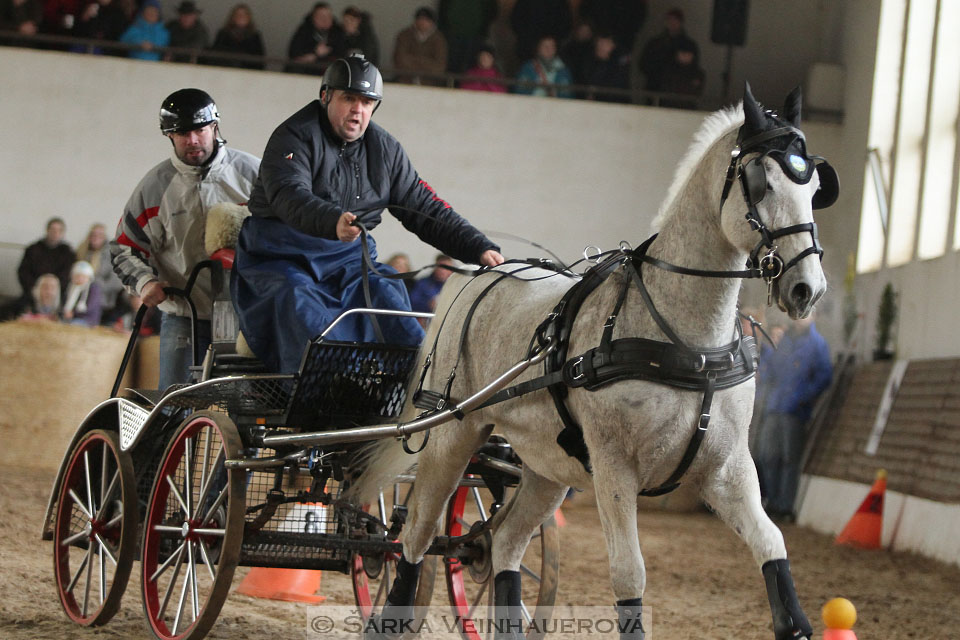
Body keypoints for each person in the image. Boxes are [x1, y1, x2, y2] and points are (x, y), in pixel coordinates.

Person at [232, 54, 504, 374]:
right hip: (281, 256)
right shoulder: (293, 135)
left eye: (367, 101)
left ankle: (408, 392)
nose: (357, 110)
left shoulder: (385, 150)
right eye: (349, 98)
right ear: (325, 96)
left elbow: (423, 206)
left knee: (389, 295)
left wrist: (478, 247)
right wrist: (331, 221)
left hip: (349, 260)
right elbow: (288, 194)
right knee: (300, 304)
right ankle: (321, 390)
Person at [110, 88, 260, 391]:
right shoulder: (155, 188)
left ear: (214, 127)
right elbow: (124, 248)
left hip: (246, 315)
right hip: (184, 315)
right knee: (174, 408)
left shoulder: (253, 176)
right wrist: (145, 283)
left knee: (248, 409)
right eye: (182, 133)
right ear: (169, 136)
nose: (192, 140)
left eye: (199, 130)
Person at [755, 313, 833, 521]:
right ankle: (772, 501)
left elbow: (824, 375)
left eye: (805, 314)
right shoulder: (783, 342)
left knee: (790, 459)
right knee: (768, 456)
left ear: (814, 316)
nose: (799, 318)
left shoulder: (817, 345)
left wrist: (802, 397)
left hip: (795, 411)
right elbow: (770, 369)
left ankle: (784, 506)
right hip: (774, 407)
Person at [638, 8, 699, 99]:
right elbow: (643, 64)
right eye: (669, 20)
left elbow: (694, 68)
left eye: (675, 20)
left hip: (678, 91)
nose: (672, 23)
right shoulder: (655, 43)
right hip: (655, 87)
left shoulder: (689, 45)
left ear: (681, 22)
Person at [17, 217, 75, 309]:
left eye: (59, 230)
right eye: (53, 229)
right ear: (47, 230)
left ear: (63, 233)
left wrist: (52, 288)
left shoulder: (68, 253)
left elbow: (68, 274)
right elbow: (23, 271)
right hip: (33, 292)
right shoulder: (33, 249)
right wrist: (37, 288)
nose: (55, 233)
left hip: (58, 294)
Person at [75, 222, 123, 319]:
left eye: (100, 235)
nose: (96, 238)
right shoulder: (81, 251)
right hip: (79, 293)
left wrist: (96, 285)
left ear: (104, 237)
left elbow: (117, 281)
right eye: (93, 235)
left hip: (102, 297)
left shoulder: (114, 254)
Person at [393, 6, 447, 86]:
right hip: (404, 82)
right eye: (420, 19)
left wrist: (413, 60)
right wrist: (427, 63)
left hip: (430, 85)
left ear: (432, 22)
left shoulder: (439, 40)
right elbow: (400, 59)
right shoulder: (404, 35)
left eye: (426, 20)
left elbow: (439, 66)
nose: (422, 22)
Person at [438, 0, 496, 73]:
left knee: (472, 66)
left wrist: (483, 29)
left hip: (476, 35)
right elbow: (442, 9)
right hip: (452, 34)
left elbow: (492, 10)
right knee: (452, 65)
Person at [286, 2, 343, 75]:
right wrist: (315, 53)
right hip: (306, 73)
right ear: (313, 17)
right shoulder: (304, 31)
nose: (325, 20)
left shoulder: (337, 32)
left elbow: (342, 55)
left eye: (328, 16)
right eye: (321, 16)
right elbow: (294, 56)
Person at [207, 3, 264, 69]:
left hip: (248, 73)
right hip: (226, 71)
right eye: (238, 14)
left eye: (244, 14)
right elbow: (215, 55)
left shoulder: (255, 36)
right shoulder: (223, 34)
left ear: (249, 17)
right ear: (233, 17)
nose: (241, 17)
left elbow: (260, 60)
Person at [582, 34, 630, 102]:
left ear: (613, 45)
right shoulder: (593, 63)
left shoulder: (621, 63)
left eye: (604, 44)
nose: (600, 47)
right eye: (598, 45)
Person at [61, 260, 103, 326]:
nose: (80, 279)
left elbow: (90, 307)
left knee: (73, 324)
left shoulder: (93, 288)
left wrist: (73, 313)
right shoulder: (71, 287)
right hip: (70, 317)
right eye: (77, 276)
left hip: (87, 319)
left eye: (83, 277)